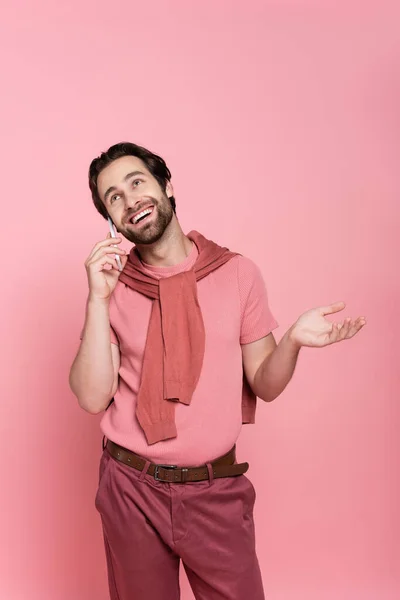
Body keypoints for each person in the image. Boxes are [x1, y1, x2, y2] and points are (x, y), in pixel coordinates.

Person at [69, 142, 366, 600]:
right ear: (111, 220)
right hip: (130, 485)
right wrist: (97, 299)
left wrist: (291, 342)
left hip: (215, 489)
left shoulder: (237, 274)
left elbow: (265, 383)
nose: (131, 200)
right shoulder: (115, 288)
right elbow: (91, 397)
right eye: (114, 197)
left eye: (137, 183)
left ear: (166, 185)